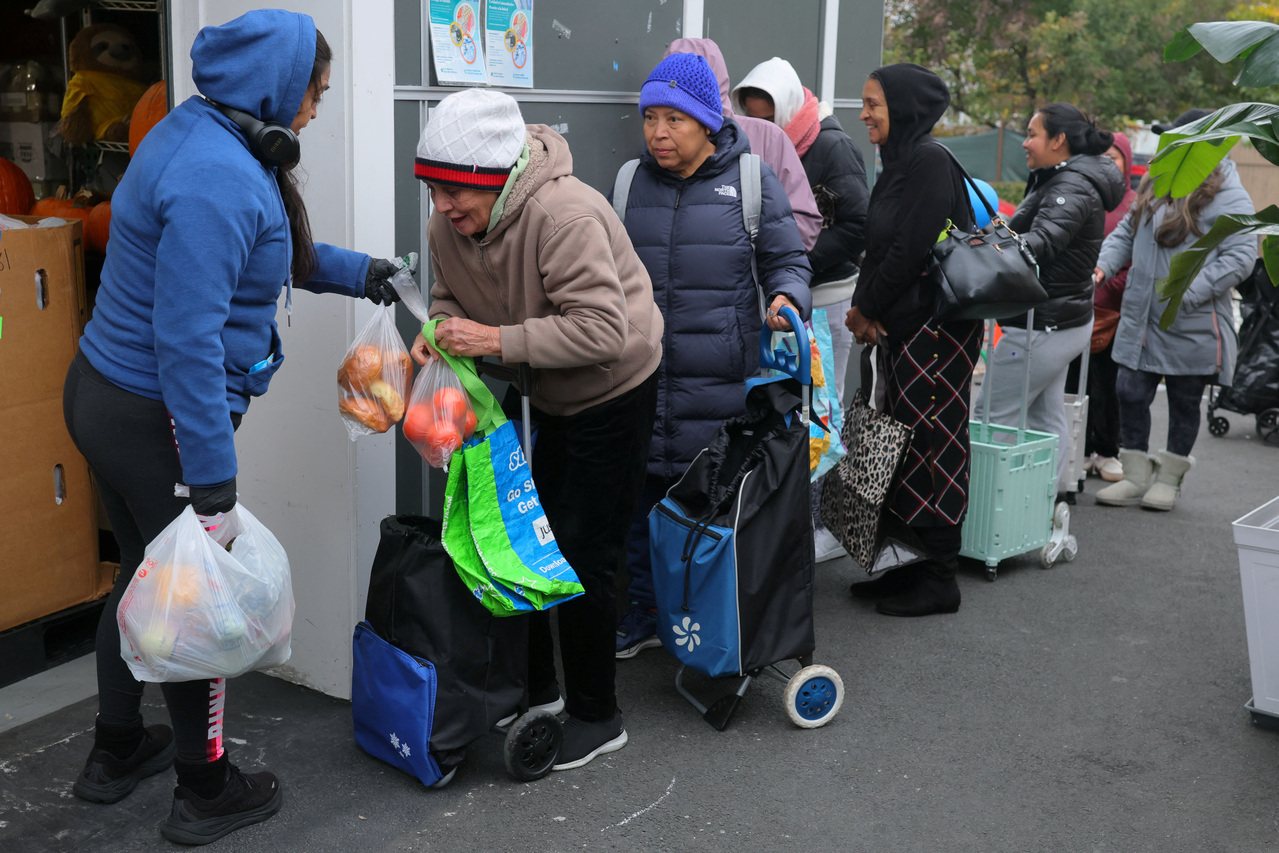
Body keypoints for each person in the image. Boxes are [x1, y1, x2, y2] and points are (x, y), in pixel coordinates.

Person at [62, 10, 407, 845]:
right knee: (194, 604)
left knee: (145, 577)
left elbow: (274, 250)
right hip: (156, 418)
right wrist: (211, 483)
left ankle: (115, 750)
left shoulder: (205, 133)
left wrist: (365, 274)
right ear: (276, 88)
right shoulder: (218, 176)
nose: (317, 111)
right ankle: (204, 785)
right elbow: (186, 339)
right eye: (315, 95)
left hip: (105, 397)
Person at [408, 88, 664, 770]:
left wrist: (491, 337)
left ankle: (595, 713)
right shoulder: (449, 224)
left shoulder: (565, 213)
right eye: (433, 191)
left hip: (614, 387)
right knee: (529, 536)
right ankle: (540, 690)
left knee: (584, 548)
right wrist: (437, 333)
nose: (444, 208)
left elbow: (604, 331)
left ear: (498, 178)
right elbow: (447, 298)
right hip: (543, 389)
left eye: (456, 192)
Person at [613, 52, 812, 656]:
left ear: (706, 122)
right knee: (639, 504)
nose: (658, 133)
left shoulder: (750, 180)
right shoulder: (627, 184)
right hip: (641, 376)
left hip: (718, 380)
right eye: (650, 118)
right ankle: (645, 612)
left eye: (674, 119)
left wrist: (786, 297)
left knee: (710, 503)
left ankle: (705, 618)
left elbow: (788, 260)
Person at [843, 63, 980, 617]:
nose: (864, 113)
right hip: (907, 329)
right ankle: (913, 567)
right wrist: (866, 309)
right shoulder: (900, 162)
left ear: (903, 108)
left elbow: (910, 250)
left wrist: (866, 308)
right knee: (904, 445)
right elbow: (879, 247)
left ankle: (941, 579)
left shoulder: (926, 161)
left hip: (936, 333)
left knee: (934, 445)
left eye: (873, 102)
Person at [733, 55, 870, 562]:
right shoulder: (769, 142)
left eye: (766, 115)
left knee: (821, 409)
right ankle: (793, 520)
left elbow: (858, 224)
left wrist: (795, 262)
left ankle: (820, 525)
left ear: (787, 106)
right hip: (786, 297)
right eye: (751, 114)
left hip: (827, 296)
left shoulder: (830, 145)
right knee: (791, 408)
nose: (760, 125)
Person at [1093, 112, 1256, 511]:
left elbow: (1241, 256)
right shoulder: (1155, 182)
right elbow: (1126, 234)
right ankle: (1135, 474)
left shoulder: (1229, 194)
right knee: (1129, 391)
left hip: (1194, 322)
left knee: (1185, 401)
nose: (1169, 145)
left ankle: (1168, 479)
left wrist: (1187, 291)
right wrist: (1103, 265)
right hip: (1140, 318)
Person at [978, 103, 1125, 504]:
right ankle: (1049, 501)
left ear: (1059, 140)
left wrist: (981, 253)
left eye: (1032, 133)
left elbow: (1038, 244)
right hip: (1061, 319)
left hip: (1041, 323)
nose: (1024, 142)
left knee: (993, 419)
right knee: (1045, 417)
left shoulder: (1070, 187)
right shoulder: (1062, 179)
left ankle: (989, 513)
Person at [662, 38, 823, 253]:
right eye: (651, 117)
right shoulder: (650, 155)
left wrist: (750, 263)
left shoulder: (769, 137)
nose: (660, 130)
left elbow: (803, 222)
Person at [1067, 130, 1139, 484]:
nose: (1108, 163)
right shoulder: (1086, 196)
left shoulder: (1134, 204)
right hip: (1078, 309)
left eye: (1115, 157)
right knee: (1073, 385)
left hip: (1114, 312)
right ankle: (1077, 451)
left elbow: (1133, 260)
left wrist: (1108, 286)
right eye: (1103, 157)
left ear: (1126, 162)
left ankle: (1109, 450)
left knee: (1108, 386)